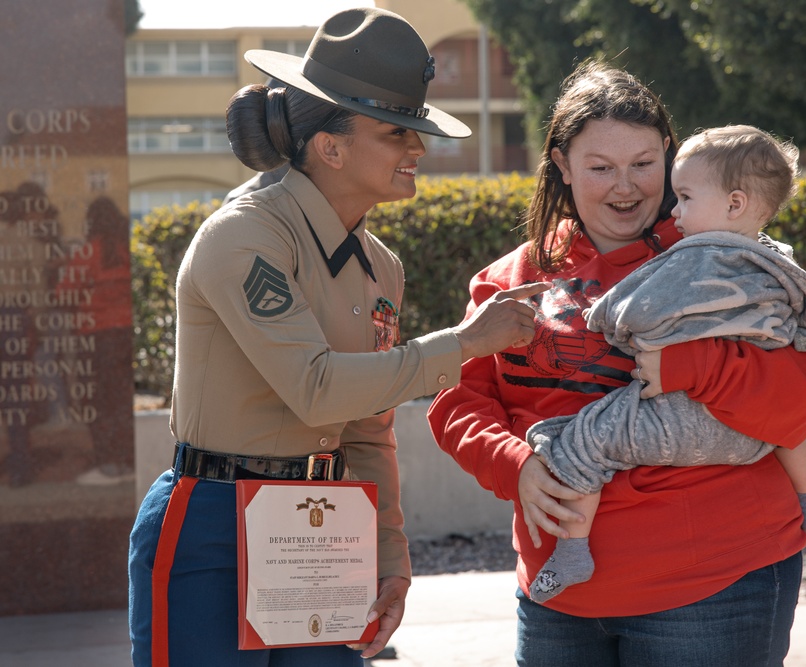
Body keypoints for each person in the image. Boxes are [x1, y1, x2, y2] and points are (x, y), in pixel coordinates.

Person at [128, 8, 547, 667]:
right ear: (331, 146)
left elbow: (366, 430)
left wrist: (390, 558)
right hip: (213, 522)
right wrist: (465, 343)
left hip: (320, 522)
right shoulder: (244, 234)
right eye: (396, 132)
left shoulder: (382, 266)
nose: (418, 149)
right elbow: (318, 389)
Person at [427, 61, 806, 667]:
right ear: (560, 163)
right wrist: (515, 465)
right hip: (556, 594)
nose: (625, 187)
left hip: (716, 587)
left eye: (644, 164)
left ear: (670, 157)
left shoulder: (724, 260)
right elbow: (458, 402)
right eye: (601, 168)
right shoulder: (508, 280)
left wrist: (697, 366)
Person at [523, 124, 806, 602]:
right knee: (791, 428)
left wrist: (605, 319)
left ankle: (573, 551)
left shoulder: (695, 256)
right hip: (755, 436)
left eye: (683, 197)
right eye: (602, 168)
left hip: (680, 421)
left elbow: (634, 311)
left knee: (586, 439)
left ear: (735, 204)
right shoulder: (778, 261)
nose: (675, 210)